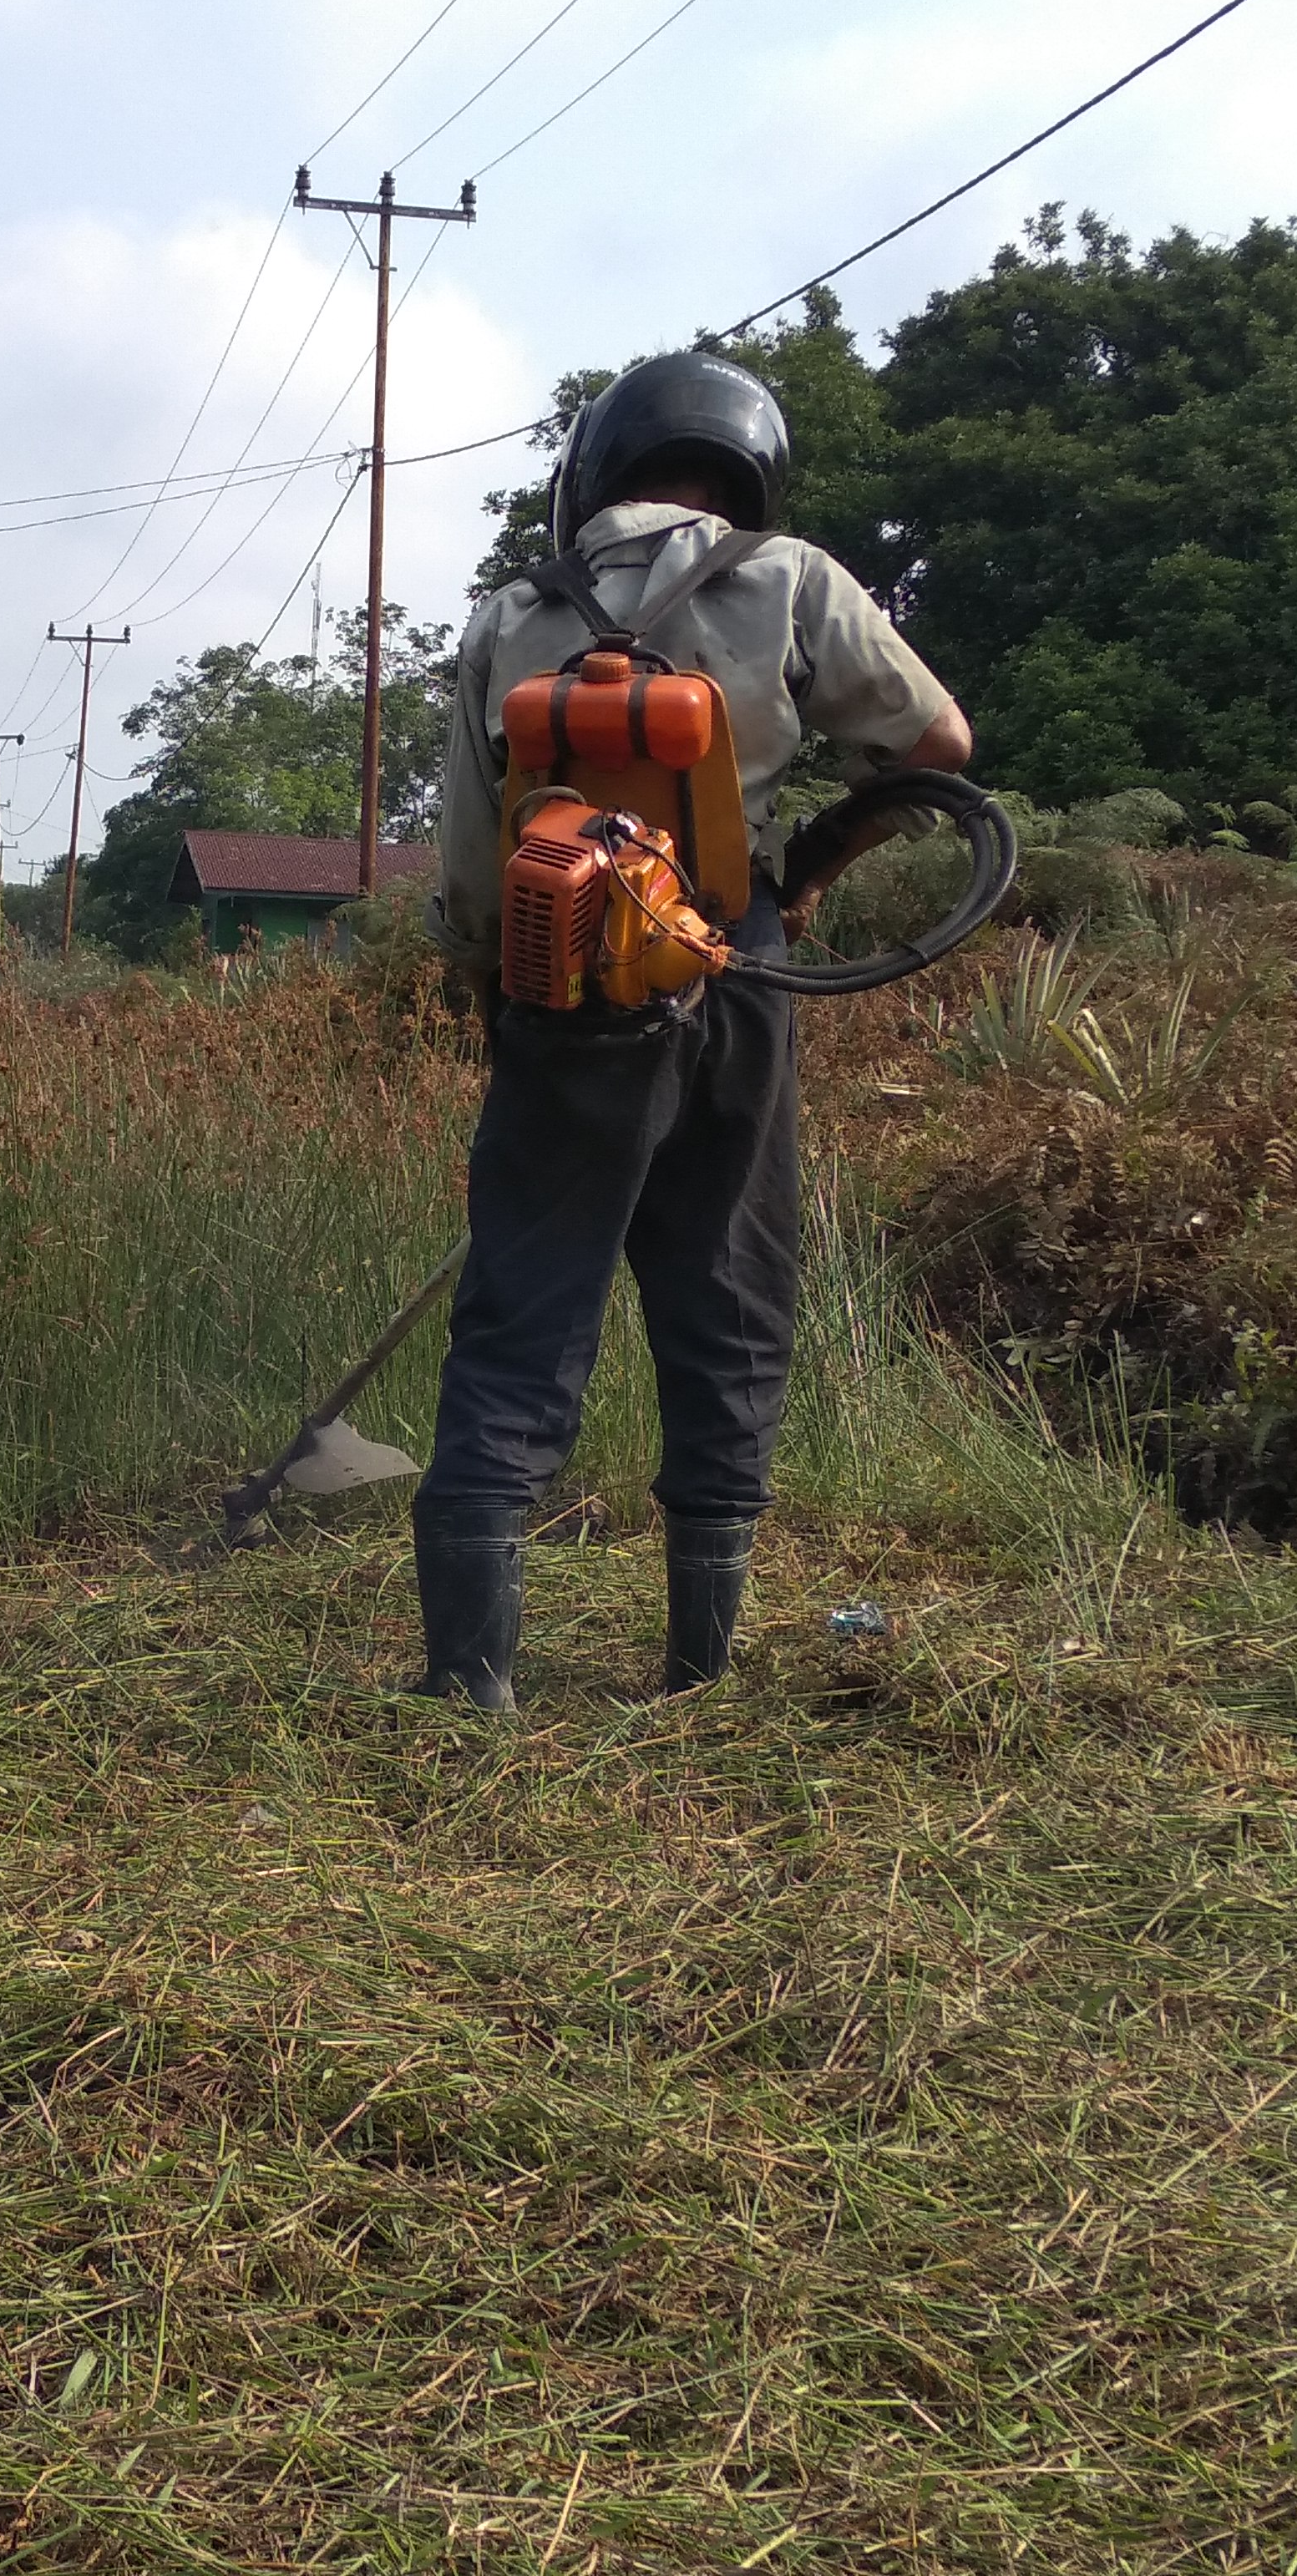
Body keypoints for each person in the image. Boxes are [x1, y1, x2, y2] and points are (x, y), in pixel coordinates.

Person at [413, 350, 974, 1711]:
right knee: (726, 1294)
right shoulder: (792, 582)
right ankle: (696, 1675)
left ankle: (468, 1684)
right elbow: (938, 745)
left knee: (521, 1315)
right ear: (747, 471)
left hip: (563, 990)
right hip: (739, 970)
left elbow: (477, 878)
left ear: (595, 471)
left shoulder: (507, 616)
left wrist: (502, 996)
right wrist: (813, 865)